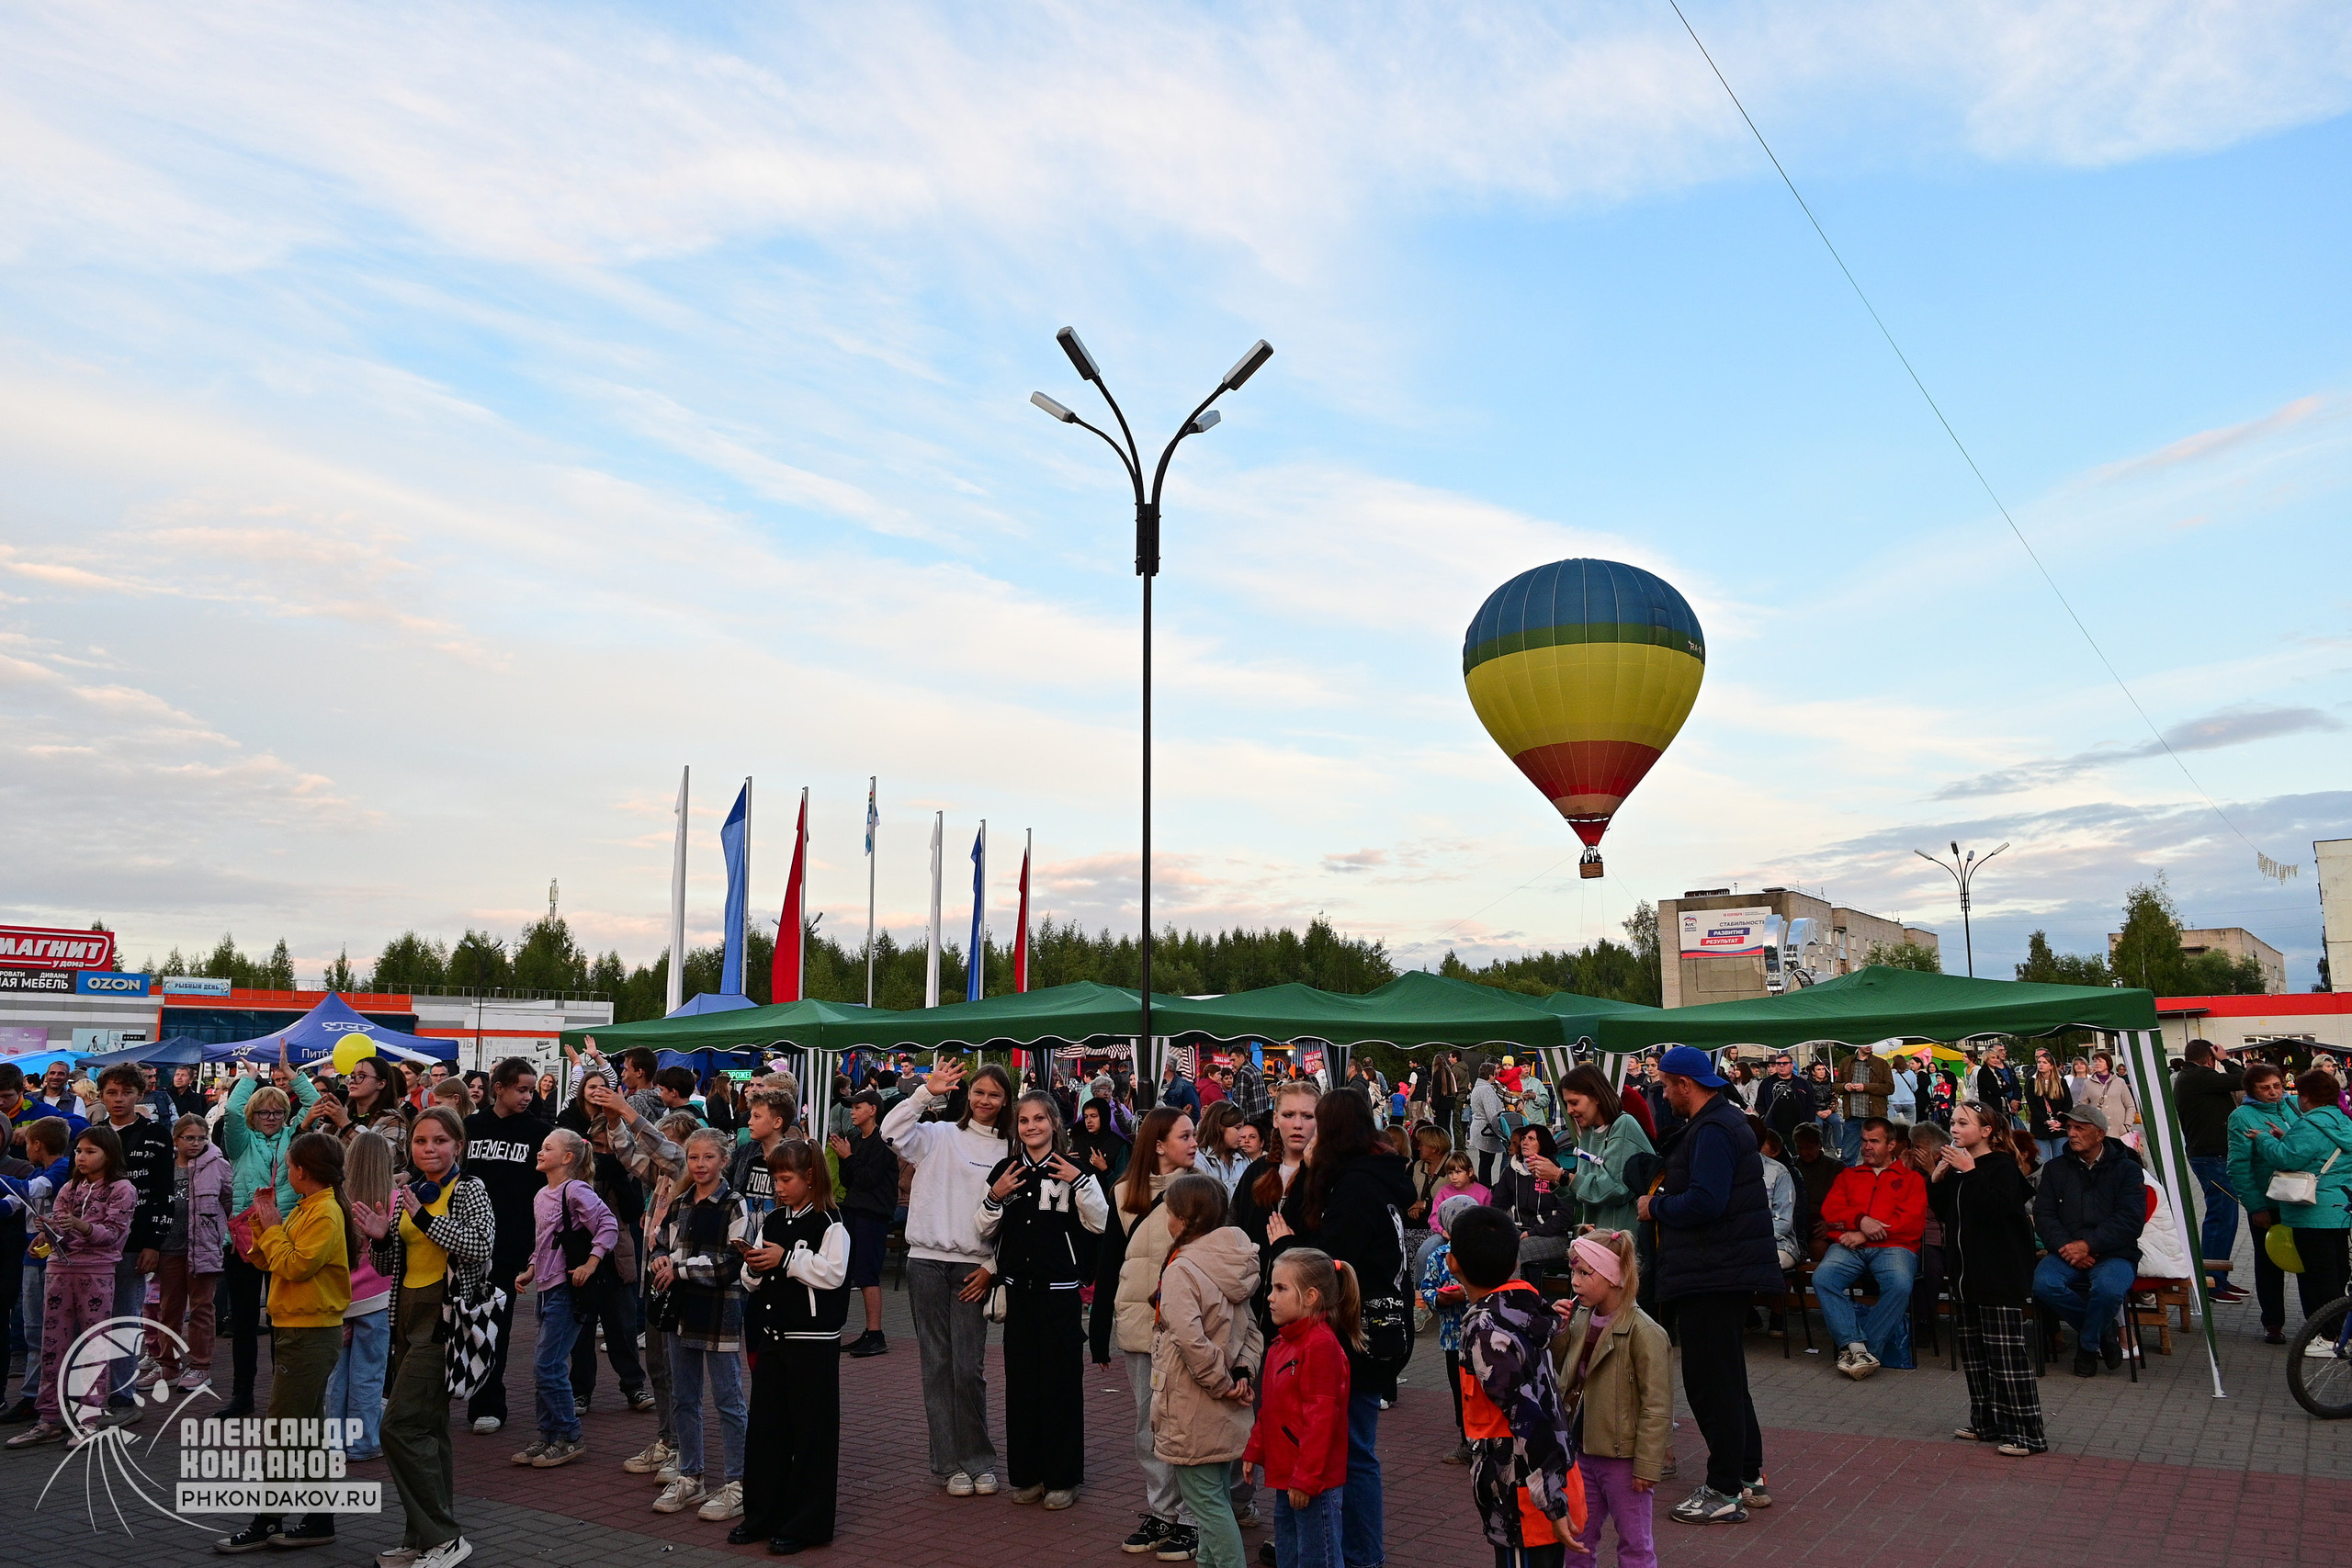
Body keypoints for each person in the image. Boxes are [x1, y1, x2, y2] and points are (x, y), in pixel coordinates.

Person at [1263, 1085, 1415, 1568]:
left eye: (1315, 1121)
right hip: (1379, 1324)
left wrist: (1286, 1246)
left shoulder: (1358, 1185)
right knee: (1351, 1447)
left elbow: (1328, 1259)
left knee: (1351, 1450)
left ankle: (1360, 1554)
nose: (1307, 1131)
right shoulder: (1369, 1174)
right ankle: (1350, 1548)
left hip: (1358, 1330)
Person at [1636, 1045, 1780, 1525]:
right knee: (1727, 1379)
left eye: (1665, 1085)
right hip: (1720, 1267)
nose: (1662, 1094)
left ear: (1686, 1084)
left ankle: (1724, 1489)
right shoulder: (1718, 1123)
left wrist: (1655, 1206)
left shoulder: (1714, 1128)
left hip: (1714, 1271)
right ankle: (1747, 1475)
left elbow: (1705, 1201)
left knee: (1711, 1383)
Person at [350, 1105, 492, 1568]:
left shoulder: (468, 1188)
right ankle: (422, 1536)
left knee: (399, 1426)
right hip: (407, 1316)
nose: (429, 1149)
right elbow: (388, 1266)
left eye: (440, 1141)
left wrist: (427, 1220)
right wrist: (380, 1238)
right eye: (420, 1141)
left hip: (443, 1320)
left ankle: (444, 1538)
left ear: (458, 1145)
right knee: (429, 1430)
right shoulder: (408, 1194)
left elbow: (479, 1246)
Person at [214, 1130, 355, 1551]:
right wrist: (263, 1220)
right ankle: (318, 1519)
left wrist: (273, 1227)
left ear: (301, 1170)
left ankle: (268, 1519)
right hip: (300, 1326)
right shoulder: (310, 1207)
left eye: (288, 1166)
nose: (285, 1173)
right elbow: (269, 1259)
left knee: (284, 1430)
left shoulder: (324, 1212)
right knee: (306, 1431)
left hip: (309, 1330)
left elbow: (295, 1265)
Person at [883, 1058, 1011, 1498]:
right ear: (967, 1095)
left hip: (974, 1269)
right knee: (936, 1365)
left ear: (1005, 1101)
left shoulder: (1009, 1149)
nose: (985, 1101)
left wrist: (992, 1268)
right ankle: (948, 1463)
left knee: (968, 1368)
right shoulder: (938, 1135)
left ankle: (978, 1459)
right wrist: (924, 1092)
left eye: (994, 1094)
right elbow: (890, 1133)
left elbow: (1013, 1219)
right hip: (926, 1263)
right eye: (979, 1092)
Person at [977, 1090, 1107, 1510]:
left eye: (1039, 1119)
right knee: (1022, 1387)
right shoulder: (1005, 1171)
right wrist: (995, 1196)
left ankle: (1063, 1478)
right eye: (1024, 1120)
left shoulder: (1076, 1169)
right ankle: (1027, 1474)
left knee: (1061, 1387)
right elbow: (983, 1229)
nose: (1031, 1126)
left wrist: (1080, 1182)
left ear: (1054, 1123)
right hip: (1018, 1295)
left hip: (1061, 1297)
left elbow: (1102, 1223)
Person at [1448, 1206, 1583, 1568]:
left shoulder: (1485, 1331)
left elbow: (1527, 1419)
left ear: (1452, 1262)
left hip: (1525, 1497)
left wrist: (1552, 1504)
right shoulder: (1526, 1307)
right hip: (1546, 1485)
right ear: (1515, 1262)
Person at [732, 1138, 850, 1555]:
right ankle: (762, 1514)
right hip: (773, 1337)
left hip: (813, 1343)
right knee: (767, 1432)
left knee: (811, 1435)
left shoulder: (830, 1222)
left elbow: (834, 1274)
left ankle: (808, 1523)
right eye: (775, 1180)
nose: (778, 1188)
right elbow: (756, 1277)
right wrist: (753, 1267)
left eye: (786, 1179)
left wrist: (785, 1261)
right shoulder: (773, 1220)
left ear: (810, 1177)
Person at [1150, 1174, 1263, 1568]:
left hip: (1192, 1403)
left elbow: (1189, 1338)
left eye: (1169, 1212)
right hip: (1225, 1405)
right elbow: (1251, 1331)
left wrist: (1221, 1383)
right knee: (1214, 1497)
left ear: (1183, 1218)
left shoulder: (1182, 1269)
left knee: (1208, 1505)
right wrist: (1242, 1374)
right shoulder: (1234, 1260)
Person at [647, 1127, 757, 1520]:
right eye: (693, 1157)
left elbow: (733, 1262)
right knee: (684, 1397)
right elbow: (661, 1243)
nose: (699, 1164)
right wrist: (659, 1259)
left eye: (708, 1157)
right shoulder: (680, 1202)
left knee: (728, 1400)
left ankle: (738, 1482)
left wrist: (678, 1269)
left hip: (719, 1313)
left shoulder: (734, 1204)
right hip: (681, 1311)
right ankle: (690, 1475)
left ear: (724, 1160)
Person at [1105, 1105, 1200, 1558]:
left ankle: (1195, 1517)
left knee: (1188, 1423)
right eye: (1185, 1136)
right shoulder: (1123, 1191)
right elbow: (1110, 1259)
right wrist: (1100, 1326)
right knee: (1148, 1424)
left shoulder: (1204, 1190)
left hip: (1187, 1328)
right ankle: (1162, 1512)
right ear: (1159, 1145)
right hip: (1139, 1323)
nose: (1194, 1143)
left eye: (1194, 1135)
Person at [6, 1124, 133, 1448]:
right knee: (53, 1345)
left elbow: (112, 1233)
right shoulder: (69, 1188)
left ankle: (89, 1418)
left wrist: (79, 1226)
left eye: (91, 1151)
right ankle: (49, 1418)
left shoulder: (122, 1189)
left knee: (93, 1345)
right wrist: (46, 1234)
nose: (81, 1157)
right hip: (59, 1270)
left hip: (97, 1273)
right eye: (78, 1151)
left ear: (109, 1154)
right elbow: (60, 1231)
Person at [1929, 1103, 2044, 1456]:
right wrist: (1937, 1180)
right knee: (1976, 1357)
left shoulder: (2002, 1167)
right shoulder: (1960, 1168)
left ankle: (2028, 1433)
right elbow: (1947, 1213)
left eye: (1963, 1123)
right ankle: (1986, 1421)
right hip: (1966, 1276)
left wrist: (1970, 1171)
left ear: (1986, 1131)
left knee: (2006, 1358)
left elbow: (1998, 1210)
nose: (1955, 1128)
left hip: (1999, 1275)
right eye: (1953, 1122)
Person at [1550, 1229, 1666, 1568]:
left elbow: (1656, 1406)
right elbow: (1563, 1369)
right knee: (1577, 1538)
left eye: (1585, 1273)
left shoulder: (1645, 1332)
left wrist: (1647, 1465)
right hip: (1582, 1449)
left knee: (1635, 1543)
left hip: (1623, 1459)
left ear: (1614, 1277)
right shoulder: (1581, 1318)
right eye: (1573, 1272)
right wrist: (1558, 1330)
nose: (1575, 1282)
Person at [508, 1126, 615, 1470]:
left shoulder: (576, 1190)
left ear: (567, 1157)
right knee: (546, 1365)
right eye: (541, 1147)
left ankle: (569, 1435)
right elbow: (545, 1241)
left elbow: (608, 1225)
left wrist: (591, 1263)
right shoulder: (542, 1195)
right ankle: (548, 1435)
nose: (540, 1152)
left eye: (548, 1148)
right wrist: (531, 1268)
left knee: (548, 1365)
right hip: (546, 1288)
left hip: (567, 1290)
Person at [220, 1056, 320, 1417]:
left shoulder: (295, 1138)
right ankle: (242, 1395)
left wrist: (293, 1076)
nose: (271, 1117)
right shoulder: (240, 1143)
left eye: (278, 1111)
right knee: (244, 1324)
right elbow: (232, 1112)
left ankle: (283, 1396)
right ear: (254, 1115)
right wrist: (250, 1078)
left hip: (285, 1240)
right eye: (264, 1112)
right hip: (245, 1243)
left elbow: (314, 1104)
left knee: (283, 1322)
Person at [461, 1056, 555, 1437]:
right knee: (457, 1322)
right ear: (498, 1088)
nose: (527, 1096)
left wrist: (534, 1247)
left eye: (531, 1090)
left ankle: (488, 1403)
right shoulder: (470, 1127)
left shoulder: (539, 1133)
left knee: (495, 1325)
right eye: (521, 1089)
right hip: (463, 1242)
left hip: (509, 1245)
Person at [1243, 1247, 1353, 1568]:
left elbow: (1321, 1420)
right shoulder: (1283, 1343)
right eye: (1271, 1288)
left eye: (1281, 1289)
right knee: (1290, 1555)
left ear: (1310, 1297)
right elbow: (1271, 1407)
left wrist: (1305, 1479)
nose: (1270, 1297)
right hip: (1288, 1476)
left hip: (1312, 1482)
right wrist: (1255, 1449)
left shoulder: (1319, 1345)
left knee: (1318, 1558)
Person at [2030, 1106, 2147, 1377]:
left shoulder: (2128, 1170)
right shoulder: (2055, 1169)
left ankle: (2087, 1346)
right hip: (2066, 1250)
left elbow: (2130, 1220)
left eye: (2080, 1128)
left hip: (2115, 1253)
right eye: (2069, 1128)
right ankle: (2102, 1332)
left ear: (2100, 1134)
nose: (2071, 1133)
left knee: (2108, 1290)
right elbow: (2044, 1215)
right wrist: (2068, 1247)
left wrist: (2088, 1245)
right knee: (2044, 1284)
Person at [1813, 1118, 1928, 1377]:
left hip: (1894, 1246)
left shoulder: (1911, 1179)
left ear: (1891, 1145)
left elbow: (1911, 1220)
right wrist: (1860, 1220)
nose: (1867, 1147)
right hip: (1849, 1244)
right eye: (1864, 1141)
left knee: (1900, 1284)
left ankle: (1864, 1350)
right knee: (1823, 1278)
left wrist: (1864, 1234)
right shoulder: (1848, 1175)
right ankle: (1857, 1347)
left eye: (1874, 1141)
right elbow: (1830, 1211)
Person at [2261, 1069, 2352, 1344]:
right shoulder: (2344, 1121)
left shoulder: (2310, 1124)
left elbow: (2287, 1158)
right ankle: (2342, 1331)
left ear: (2307, 1097)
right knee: (2338, 1272)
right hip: (2341, 1209)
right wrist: (2288, 1137)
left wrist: (2264, 1140)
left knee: (2319, 1277)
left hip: (2312, 1211)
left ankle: (2329, 1336)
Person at [324, 1129, 395, 1462]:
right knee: (369, 1373)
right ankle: (364, 1441)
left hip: (340, 1298)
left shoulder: (337, 1201)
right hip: (377, 1299)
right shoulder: (395, 1200)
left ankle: (333, 1440)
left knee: (337, 1374)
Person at [147, 1112, 231, 1393]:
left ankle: (200, 1365)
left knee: (201, 1308)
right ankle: (168, 1365)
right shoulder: (164, 1166)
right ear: (176, 1139)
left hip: (203, 1247)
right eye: (189, 1138)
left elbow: (229, 1200)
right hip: (169, 1248)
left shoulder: (216, 1164)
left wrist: (223, 1233)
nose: (196, 1143)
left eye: (201, 1138)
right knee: (168, 1309)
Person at [0, 1116, 70, 1425]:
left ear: (37, 1145)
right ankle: (32, 1396)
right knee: (33, 1332)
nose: (26, 1150)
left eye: (27, 1144)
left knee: (54, 1330)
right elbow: (10, 1204)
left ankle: (58, 1396)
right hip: (32, 1258)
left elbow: (31, 1189)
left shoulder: (62, 1168)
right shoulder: (39, 1171)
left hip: (57, 1259)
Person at [2228, 1061, 2301, 1344]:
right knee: (2269, 1264)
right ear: (2251, 1090)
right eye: (2265, 1088)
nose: (2273, 1092)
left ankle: (2318, 1323)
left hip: (2301, 1200)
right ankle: (2272, 1323)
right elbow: (2239, 1166)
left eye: (2277, 1086)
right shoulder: (2242, 1117)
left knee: (2308, 1261)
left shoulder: (2293, 1106)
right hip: (2268, 1200)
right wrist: (2255, 1206)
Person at [2173, 1039, 2249, 1301]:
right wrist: (2226, 1060)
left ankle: (2219, 1276)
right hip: (2210, 1157)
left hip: (2211, 1155)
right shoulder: (2198, 1076)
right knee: (2220, 1218)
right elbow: (2244, 1080)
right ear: (2209, 1058)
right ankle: (2211, 1282)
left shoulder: (2190, 1077)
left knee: (2226, 1217)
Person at [828, 1089, 897, 1357]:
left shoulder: (884, 1142)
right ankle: (862, 1331)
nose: (853, 1112)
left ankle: (876, 1333)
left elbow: (869, 1179)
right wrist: (844, 1158)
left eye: (858, 1107)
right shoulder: (855, 1140)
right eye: (852, 1107)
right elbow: (848, 1180)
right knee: (849, 1271)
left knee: (868, 1273)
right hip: (853, 1210)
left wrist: (848, 1158)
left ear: (873, 1110)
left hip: (873, 1213)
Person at [1417, 1193, 1480, 1465]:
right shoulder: (1439, 1256)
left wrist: (1465, 1294)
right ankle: (1467, 1441)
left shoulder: (1482, 1253)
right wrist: (1440, 1299)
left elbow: (1492, 1288)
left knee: (1483, 1389)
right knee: (1460, 1391)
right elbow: (1427, 1289)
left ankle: (1487, 1442)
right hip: (1453, 1340)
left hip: (1483, 1336)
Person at [1557, 1066, 1654, 1238]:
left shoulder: (1623, 1125)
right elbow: (1587, 1196)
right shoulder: (1587, 1133)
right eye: (1567, 1104)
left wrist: (1565, 1177)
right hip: (1598, 1239)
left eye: (1574, 1102)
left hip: (1622, 1242)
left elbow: (1615, 1189)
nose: (1569, 1110)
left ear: (1596, 1097)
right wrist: (1556, 1181)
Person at [1501, 1124, 1575, 1278]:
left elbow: (1565, 1217)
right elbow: (1498, 1205)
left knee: (1514, 1250)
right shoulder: (1511, 1171)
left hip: (1552, 1237)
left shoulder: (1555, 1172)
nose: (1525, 1142)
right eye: (1523, 1138)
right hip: (1518, 1231)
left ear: (1542, 1144)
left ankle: (1512, 1292)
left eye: (1531, 1139)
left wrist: (1533, 1232)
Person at [726, 1086, 793, 1214]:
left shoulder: (793, 1157)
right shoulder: (744, 1153)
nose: (750, 1122)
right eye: (751, 1116)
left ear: (777, 1122)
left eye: (757, 1117)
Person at [1751, 1122, 1799, 1272]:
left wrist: (1753, 1240)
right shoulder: (1725, 1170)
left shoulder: (1779, 1172)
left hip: (1779, 1243)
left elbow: (1783, 1222)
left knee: (1761, 1263)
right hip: (1737, 1243)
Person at [1836, 1044, 1894, 1163]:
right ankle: (1848, 1175)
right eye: (1866, 1043)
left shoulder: (1881, 1063)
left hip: (1874, 1116)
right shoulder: (1846, 1062)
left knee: (1877, 1154)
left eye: (1871, 1044)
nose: (1869, 1046)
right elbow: (1836, 1086)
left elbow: (1889, 1088)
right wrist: (1845, 1086)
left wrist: (1865, 1087)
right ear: (1858, 1044)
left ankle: (1877, 1175)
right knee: (1847, 1155)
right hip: (1853, 1116)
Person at [2075, 1054, 2138, 1145]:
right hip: (2097, 1131)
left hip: (2119, 1132)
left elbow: (2130, 1106)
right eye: (2095, 1061)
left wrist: (2127, 1125)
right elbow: (2081, 1106)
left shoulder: (2120, 1082)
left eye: (2100, 1061)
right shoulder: (2088, 1083)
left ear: (2108, 1064)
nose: (2097, 1063)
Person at [2025, 1050, 2074, 1168]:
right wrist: (2045, 1121)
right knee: (2043, 1161)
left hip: (2058, 1126)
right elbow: (2032, 1105)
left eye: (2044, 1062)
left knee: (2061, 1160)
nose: (2041, 1065)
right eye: (2039, 1062)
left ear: (2051, 1066)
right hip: (2040, 1126)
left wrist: (2060, 1120)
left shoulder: (2061, 1082)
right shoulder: (2032, 1082)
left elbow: (2068, 1103)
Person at [1196, 1101, 1253, 1195]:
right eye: (1237, 1128)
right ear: (1219, 1128)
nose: (1242, 1134)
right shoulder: (1199, 1160)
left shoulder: (1244, 1159)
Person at [1467, 1062, 1509, 1190]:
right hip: (1486, 1131)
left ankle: (1483, 1189)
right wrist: (1501, 1129)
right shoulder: (1486, 1090)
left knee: (1484, 1162)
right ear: (1490, 1075)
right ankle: (1485, 1189)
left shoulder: (1477, 1087)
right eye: (1495, 1074)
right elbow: (1492, 1114)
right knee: (1487, 1163)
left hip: (1478, 1127)